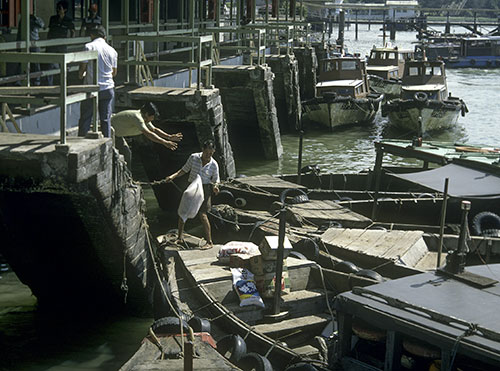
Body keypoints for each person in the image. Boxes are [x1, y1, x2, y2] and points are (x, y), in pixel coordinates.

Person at [165, 139, 220, 249]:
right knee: (183, 211)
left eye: (211, 153)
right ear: (202, 150)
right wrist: (173, 176)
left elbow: (216, 179)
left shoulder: (214, 164)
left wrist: (215, 186)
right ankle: (180, 238)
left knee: (203, 215)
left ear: (213, 152)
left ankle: (209, 242)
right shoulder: (194, 157)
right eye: (206, 153)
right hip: (192, 187)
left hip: (204, 189)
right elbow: (184, 170)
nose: (208, 155)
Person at [111, 102, 183, 166]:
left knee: (126, 154)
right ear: (147, 114)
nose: (153, 119)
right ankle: (126, 178)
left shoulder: (144, 118)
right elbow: (148, 133)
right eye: (152, 117)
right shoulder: (137, 117)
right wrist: (164, 142)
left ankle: (127, 177)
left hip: (117, 135)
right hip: (109, 133)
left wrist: (169, 137)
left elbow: (154, 129)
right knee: (124, 154)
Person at [78, 26, 117, 138]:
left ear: (92, 35)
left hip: (92, 88)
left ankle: (82, 142)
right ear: (105, 37)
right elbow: (114, 72)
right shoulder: (112, 51)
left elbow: (83, 67)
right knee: (105, 119)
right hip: (108, 88)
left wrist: (81, 75)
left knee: (86, 117)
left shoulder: (88, 47)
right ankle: (107, 143)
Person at [44, 1, 75, 86]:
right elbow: (50, 31)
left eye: (60, 8)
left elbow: (72, 31)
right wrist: (47, 42)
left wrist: (70, 40)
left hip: (62, 45)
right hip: (52, 44)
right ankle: (49, 85)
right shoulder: (53, 18)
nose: (58, 10)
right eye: (57, 8)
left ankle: (63, 83)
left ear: (64, 9)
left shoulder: (68, 20)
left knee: (62, 64)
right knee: (50, 64)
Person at [16, 13, 45, 86]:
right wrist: (18, 44)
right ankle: (20, 80)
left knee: (35, 62)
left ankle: (36, 80)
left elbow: (41, 25)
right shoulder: (23, 20)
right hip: (24, 42)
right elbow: (20, 32)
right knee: (21, 62)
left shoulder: (36, 19)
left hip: (34, 43)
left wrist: (35, 18)